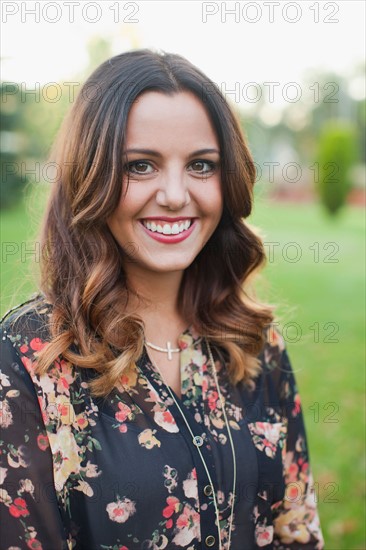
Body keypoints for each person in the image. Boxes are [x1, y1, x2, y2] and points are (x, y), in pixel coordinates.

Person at [0, 49, 324, 550]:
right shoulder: (28, 358)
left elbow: (295, 526)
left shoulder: (255, 341)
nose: (175, 194)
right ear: (91, 176)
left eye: (201, 165)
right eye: (140, 165)